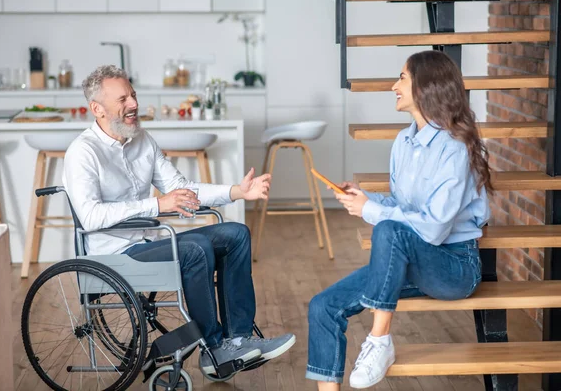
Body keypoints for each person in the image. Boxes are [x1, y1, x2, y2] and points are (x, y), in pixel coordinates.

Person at [63, 65, 295, 374]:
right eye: (123, 99)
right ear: (97, 109)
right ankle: (213, 351)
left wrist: (238, 191)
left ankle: (238, 339)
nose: (134, 104)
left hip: (149, 243)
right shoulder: (83, 152)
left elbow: (182, 190)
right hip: (113, 255)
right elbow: (90, 216)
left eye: (133, 95)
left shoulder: (142, 140)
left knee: (236, 234)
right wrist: (157, 205)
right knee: (195, 247)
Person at [306, 50, 492, 389]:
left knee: (389, 229)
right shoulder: (403, 142)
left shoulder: (454, 147)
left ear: (426, 86)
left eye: (402, 78)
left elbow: (433, 228)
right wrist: (365, 198)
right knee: (323, 306)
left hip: (454, 266)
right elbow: (404, 205)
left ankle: (380, 341)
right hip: (409, 260)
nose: (394, 86)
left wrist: (373, 212)